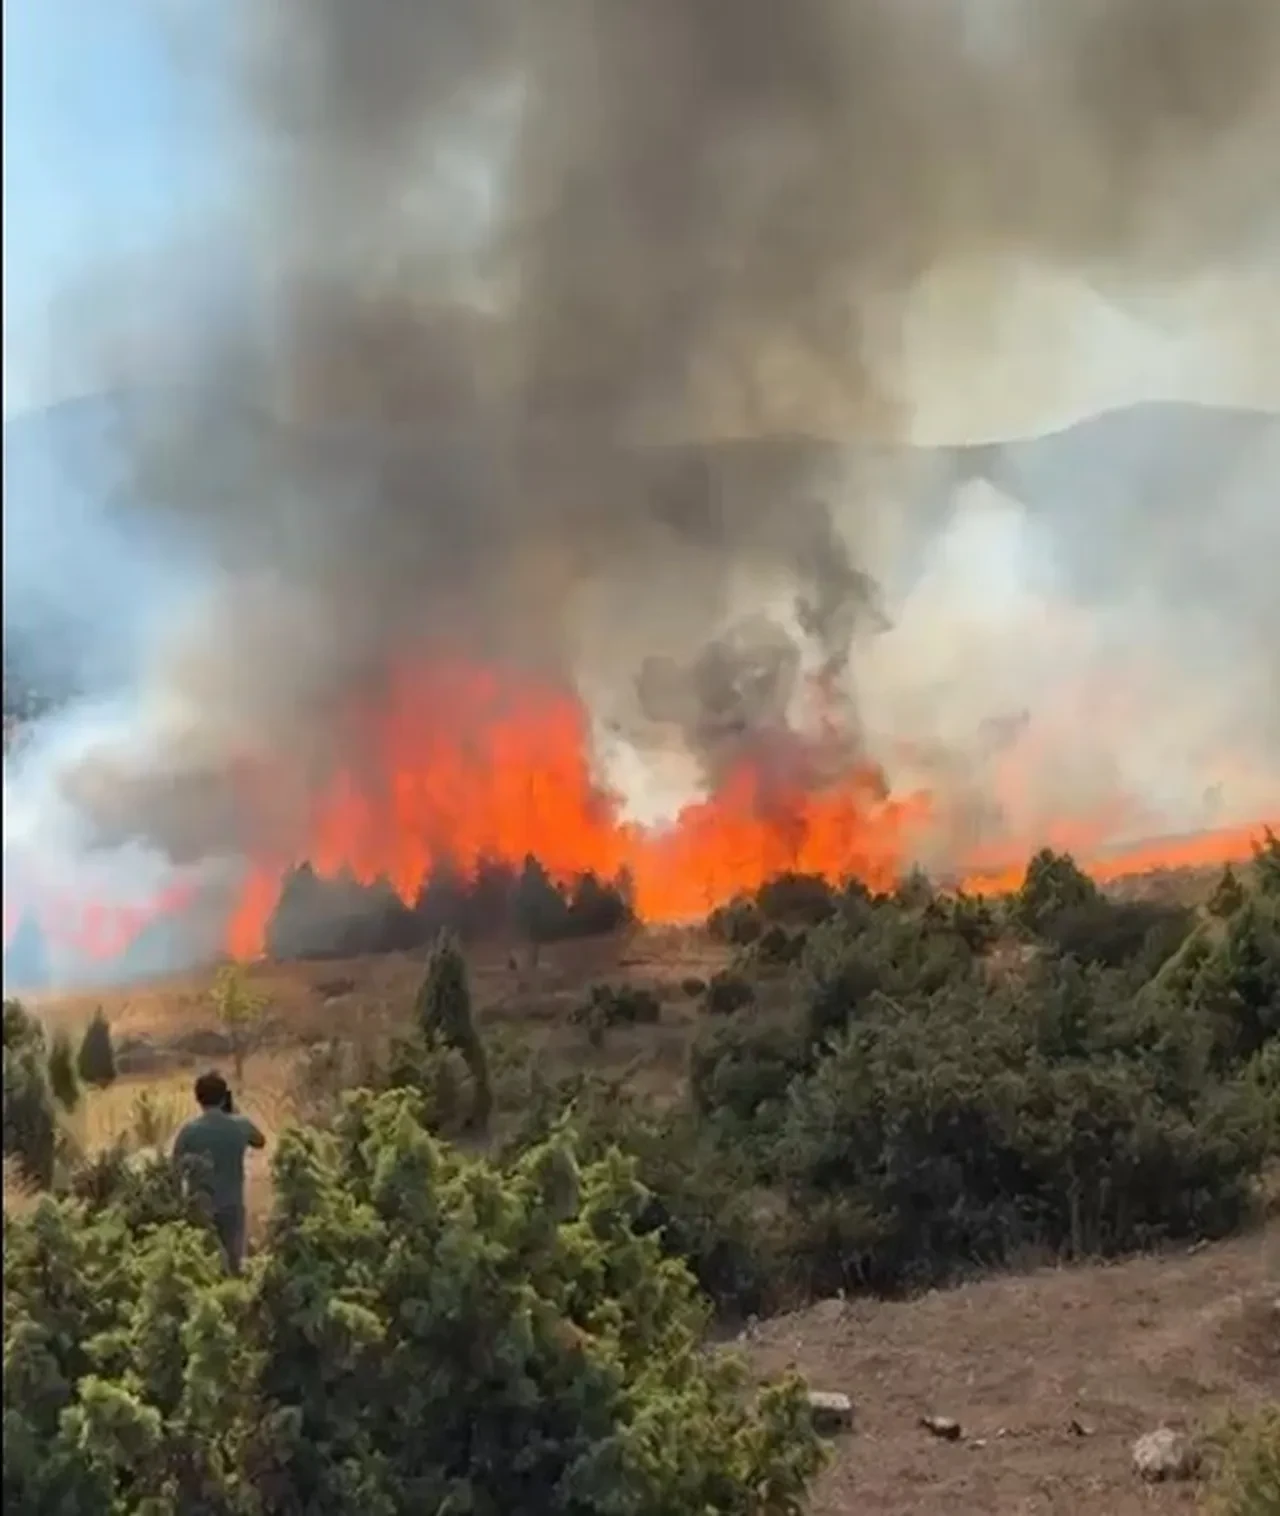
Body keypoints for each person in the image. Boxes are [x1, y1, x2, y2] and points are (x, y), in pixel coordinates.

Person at [172, 1070, 266, 1274]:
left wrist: (179, 1203)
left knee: (203, 1267)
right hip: (232, 1205)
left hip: (201, 1207)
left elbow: (175, 1170)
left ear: (198, 1098)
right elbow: (260, 1141)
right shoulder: (240, 1125)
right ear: (225, 1097)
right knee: (234, 1267)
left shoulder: (189, 1131)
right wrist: (233, 1111)